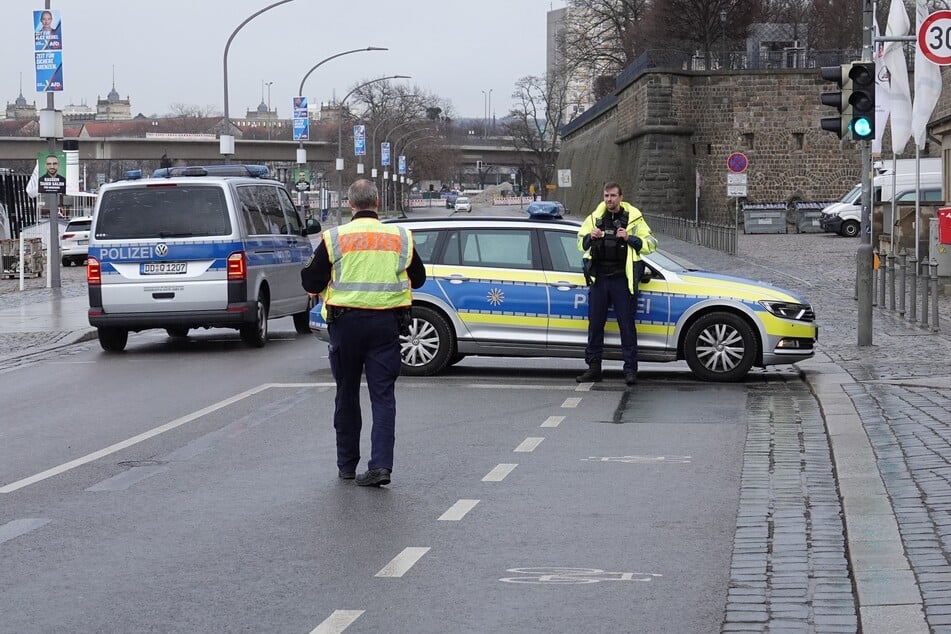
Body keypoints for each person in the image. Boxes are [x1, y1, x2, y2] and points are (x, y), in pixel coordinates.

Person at [301, 178, 426, 487]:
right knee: (383, 396)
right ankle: (381, 466)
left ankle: (346, 465)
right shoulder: (400, 237)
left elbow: (311, 283)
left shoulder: (335, 238)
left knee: (347, 393)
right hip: (386, 325)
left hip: (346, 325)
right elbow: (419, 278)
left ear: (350, 204)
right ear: (378, 202)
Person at [576, 182, 657, 386]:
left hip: (622, 279)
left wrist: (630, 238)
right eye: (606, 196)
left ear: (621, 197)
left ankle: (630, 370)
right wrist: (589, 237)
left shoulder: (634, 218)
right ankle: (594, 368)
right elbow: (579, 243)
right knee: (595, 326)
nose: (609, 199)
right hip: (600, 278)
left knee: (627, 327)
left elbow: (651, 244)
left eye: (613, 196)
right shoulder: (595, 218)